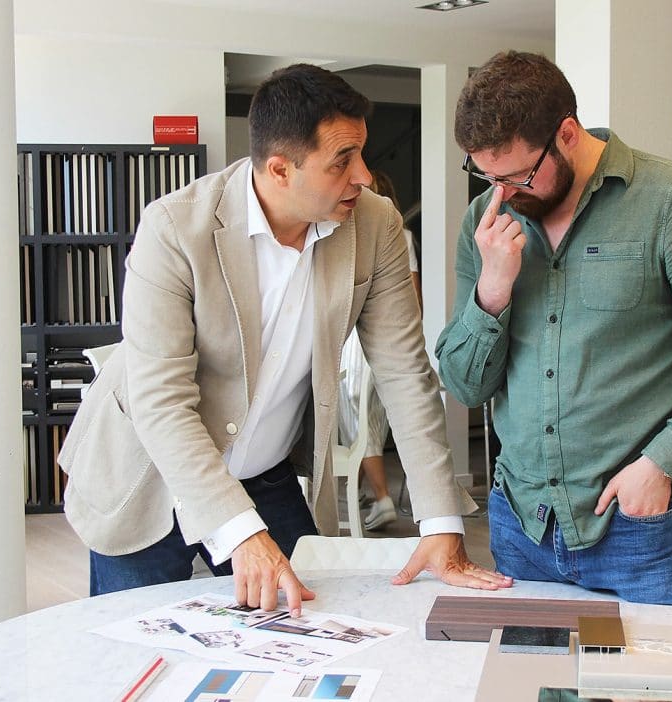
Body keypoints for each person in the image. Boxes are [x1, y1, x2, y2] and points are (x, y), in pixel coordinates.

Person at [59, 63, 512, 616]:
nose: (364, 176)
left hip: (263, 471)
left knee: (310, 627)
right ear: (279, 169)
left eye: (362, 153)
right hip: (147, 473)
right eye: (341, 161)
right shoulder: (174, 230)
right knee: (140, 642)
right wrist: (242, 534)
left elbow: (405, 374)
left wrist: (440, 523)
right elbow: (162, 401)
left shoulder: (376, 225)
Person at [435, 51, 672, 613]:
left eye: (517, 176)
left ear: (567, 134)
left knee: (656, 673)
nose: (502, 193)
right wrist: (491, 291)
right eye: (487, 176)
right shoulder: (486, 222)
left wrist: (662, 463)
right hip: (520, 526)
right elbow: (464, 385)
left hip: (639, 526)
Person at [337, 170, 421, 531]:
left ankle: (383, 497)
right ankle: (358, 491)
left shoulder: (355, 232)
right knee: (369, 421)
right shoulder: (404, 236)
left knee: (357, 423)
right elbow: (413, 300)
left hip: (356, 339)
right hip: (391, 340)